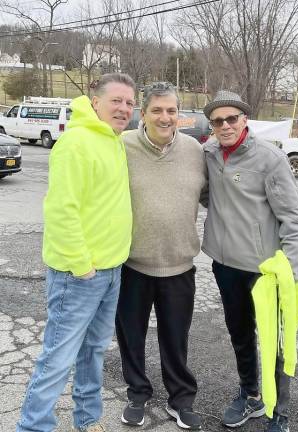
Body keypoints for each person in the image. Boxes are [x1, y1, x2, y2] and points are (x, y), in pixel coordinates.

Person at [16, 73, 136, 432]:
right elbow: (61, 210)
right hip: (79, 274)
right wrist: (82, 266)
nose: (124, 109)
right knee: (58, 358)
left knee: (93, 352)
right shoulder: (76, 142)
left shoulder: (112, 140)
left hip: (112, 270)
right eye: (116, 100)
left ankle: (87, 419)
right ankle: (33, 426)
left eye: (130, 103)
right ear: (94, 101)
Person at [202, 90, 298, 432]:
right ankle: (250, 395)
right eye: (218, 121)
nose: (226, 125)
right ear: (212, 126)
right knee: (240, 334)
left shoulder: (269, 159)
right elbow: (205, 193)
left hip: (265, 270)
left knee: (277, 343)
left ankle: (280, 412)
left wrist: (292, 269)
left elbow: (293, 217)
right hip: (225, 264)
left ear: (245, 120)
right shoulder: (208, 153)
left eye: (232, 118)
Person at [115, 82, 206, 430]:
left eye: (171, 110)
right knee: (130, 335)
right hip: (132, 265)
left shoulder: (195, 151)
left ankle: (180, 400)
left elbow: (214, 197)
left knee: (175, 337)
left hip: (180, 265)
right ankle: (137, 393)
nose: (165, 117)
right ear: (144, 112)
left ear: (178, 114)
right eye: (157, 110)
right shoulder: (122, 146)